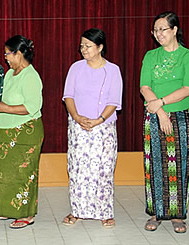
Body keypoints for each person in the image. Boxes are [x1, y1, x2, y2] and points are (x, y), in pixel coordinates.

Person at [0, 35, 44, 229]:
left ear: (19, 53)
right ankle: (10, 208)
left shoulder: (31, 76)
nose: (5, 58)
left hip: (25, 132)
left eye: (8, 54)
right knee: (7, 173)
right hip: (7, 130)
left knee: (24, 173)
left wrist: (5, 109)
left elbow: (32, 106)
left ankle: (26, 214)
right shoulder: (10, 75)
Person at [140, 12, 189, 233]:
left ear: (174, 30)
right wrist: (161, 112)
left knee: (179, 163)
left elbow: (187, 88)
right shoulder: (150, 56)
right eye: (155, 30)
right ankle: (156, 212)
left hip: (181, 115)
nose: (158, 34)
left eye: (162, 29)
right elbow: (144, 86)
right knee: (154, 163)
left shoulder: (188, 56)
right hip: (154, 115)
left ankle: (177, 214)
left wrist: (162, 102)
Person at [62, 28, 123, 228]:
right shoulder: (76, 68)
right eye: (81, 46)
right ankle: (78, 211)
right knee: (78, 169)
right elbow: (68, 96)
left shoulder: (112, 70)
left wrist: (98, 120)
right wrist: (77, 117)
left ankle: (105, 212)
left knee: (102, 169)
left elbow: (114, 100)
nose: (83, 50)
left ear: (100, 47)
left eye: (88, 46)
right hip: (78, 126)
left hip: (103, 127)